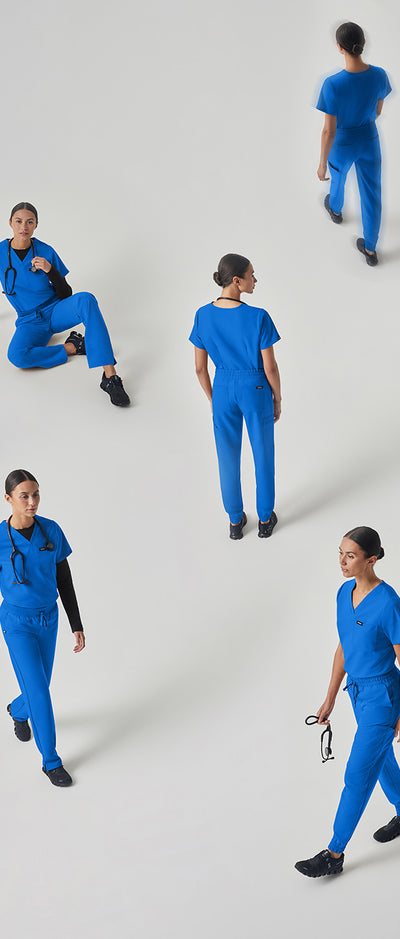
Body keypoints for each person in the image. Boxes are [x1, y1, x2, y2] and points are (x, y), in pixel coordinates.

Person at [295, 527, 400, 878]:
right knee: (381, 757)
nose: (342, 561)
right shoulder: (343, 593)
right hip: (357, 693)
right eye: (340, 553)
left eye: (350, 556)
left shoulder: (389, 603)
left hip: (383, 697)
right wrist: (330, 697)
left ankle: (334, 853)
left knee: (357, 775)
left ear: (371, 560)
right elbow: (344, 647)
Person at [1, 470, 85, 787]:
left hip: (48, 619)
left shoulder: (51, 531)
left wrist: (76, 623)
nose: (32, 501)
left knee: (39, 686)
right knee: (40, 692)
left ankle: (18, 710)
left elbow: (64, 579)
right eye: (24, 495)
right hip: (17, 623)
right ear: (8, 499)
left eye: (35, 494)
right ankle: (50, 761)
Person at [190, 254, 282, 539]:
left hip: (222, 388)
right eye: (252, 275)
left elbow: (199, 368)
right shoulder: (258, 316)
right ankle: (265, 520)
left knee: (226, 456)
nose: (255, 280)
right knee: (263, 454)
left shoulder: (202, 315)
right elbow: (270, 366)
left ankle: (234, 522)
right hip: (255, 387)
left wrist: (212, 397)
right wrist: (277, 398)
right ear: (236, 280)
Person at [2, 202, 130, 406]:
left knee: (86, 298)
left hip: (55, 311)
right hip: (29, 321)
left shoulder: (45, 251)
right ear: (10, 223)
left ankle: (110, 377)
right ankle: (74, 346)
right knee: (17, 357)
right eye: (18, 221)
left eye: (29, 222)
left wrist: (50, 270)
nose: (23, 227)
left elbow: (66, 294)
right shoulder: (1, 252)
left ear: (36, 225)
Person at [316, 22, 392, 266]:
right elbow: (378, 110)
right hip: (369, 139)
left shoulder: (333, 84)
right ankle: (370, 249)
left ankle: (336, 210)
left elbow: (329, 130)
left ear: (340, 48)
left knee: (337, 178)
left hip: (343, 141)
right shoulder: (379, 75)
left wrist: (321, 165)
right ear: (363, 44)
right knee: (372, 193)